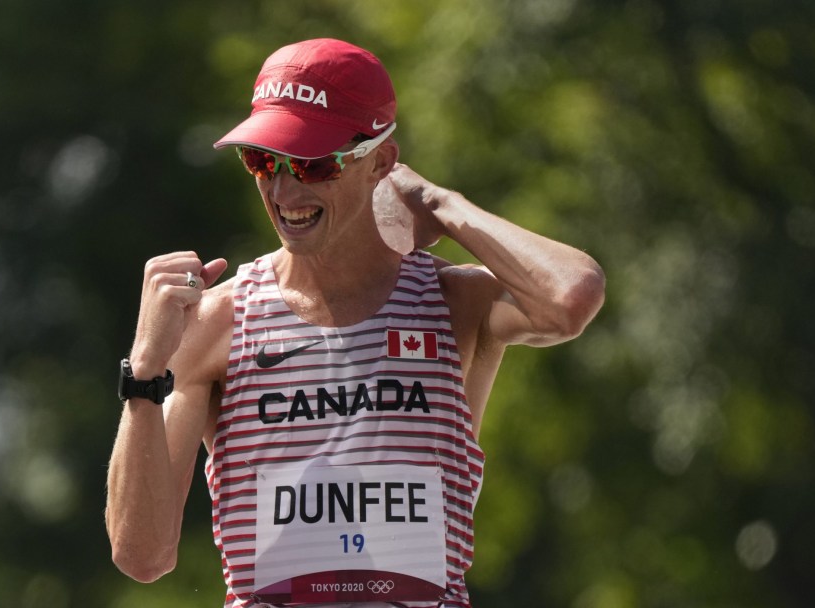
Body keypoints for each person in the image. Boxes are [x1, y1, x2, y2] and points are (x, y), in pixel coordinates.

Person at [105, 38, 606, 608]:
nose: (285, 190)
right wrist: (145, 372)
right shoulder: (222, 320)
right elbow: (142, 556)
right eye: (264, 160)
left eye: (313, 163)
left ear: (381, 162)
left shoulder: (453, 302)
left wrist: (436, 202)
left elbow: (571, 297)